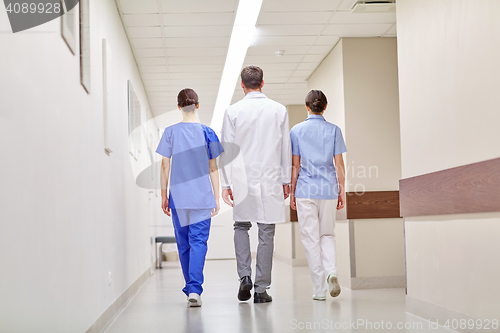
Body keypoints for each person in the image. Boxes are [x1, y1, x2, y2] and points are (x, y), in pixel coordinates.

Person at [220, 66, 292, 303]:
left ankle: (244, 277)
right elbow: (285, 149)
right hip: (271, 177)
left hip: (242, 177)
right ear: (263, 83)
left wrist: (226, 183)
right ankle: (261, 290)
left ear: (242, 84)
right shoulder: (279, 110)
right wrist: (286, 180)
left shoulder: (233, 111)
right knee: (266, 231)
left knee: (241, 226)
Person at [156, 88, 223, 307]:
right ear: (198, 105)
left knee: (183, 244)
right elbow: (213, 168)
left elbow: (165, 165)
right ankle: (194, 289)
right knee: (199, 242)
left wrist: (164, 195)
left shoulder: (170, 132)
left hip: (178, 198)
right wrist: (216, 197)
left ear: (178, 107)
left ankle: (191, 290)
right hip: (202, 198)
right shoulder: (208, 132)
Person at [289, 90, 347, 301]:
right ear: (325, 107)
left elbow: (295, 165)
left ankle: (319, 290)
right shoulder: (334, 130)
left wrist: (293, 192)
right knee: (327, 235)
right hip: (329, 189)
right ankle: (332, 271)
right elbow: (339, 165)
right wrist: (342, 190)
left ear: (307, 107)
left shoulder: (296, 131)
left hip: (305, 190)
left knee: (310, 239)